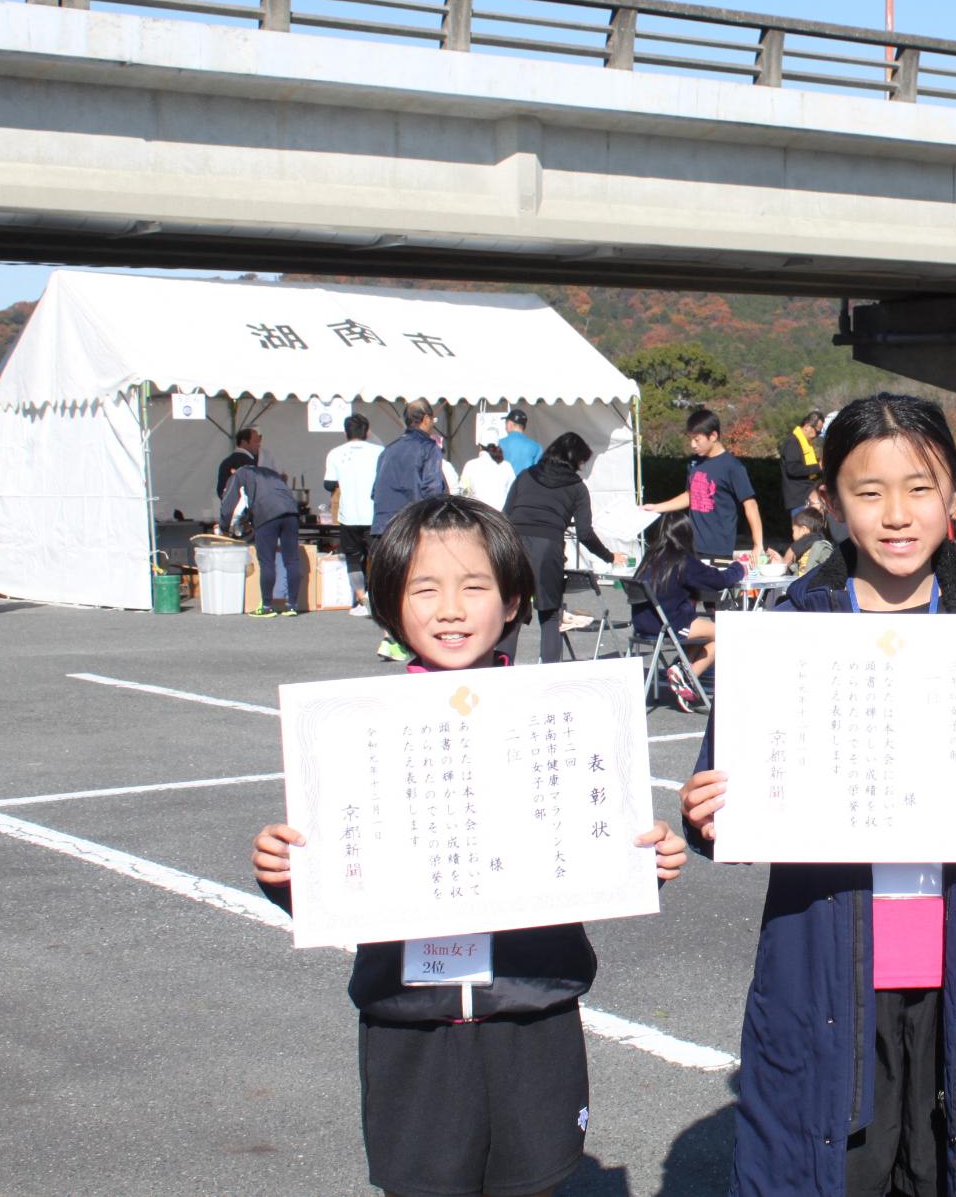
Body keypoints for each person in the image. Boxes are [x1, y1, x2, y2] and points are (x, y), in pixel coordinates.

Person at [677, 392, 956, 1197]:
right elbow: (723, 783)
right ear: (829, 502)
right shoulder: (791, 625)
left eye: (920, 487)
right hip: (828, 964)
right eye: (868, 492)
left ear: (955, 494)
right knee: (835, 1167)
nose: (897, 513)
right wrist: (705, 811)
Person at [249, 496, 685, 1197]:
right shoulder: (355, 738)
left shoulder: (559, 724)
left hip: (531, 1012)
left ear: (513, 600)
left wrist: (645, 862)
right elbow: (335, 874)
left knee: (535, 1181)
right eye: (425, 588)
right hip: (411, 1024)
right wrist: (285, 871)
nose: (450, 608)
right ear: (389, 603)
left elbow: (593, 852)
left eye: (474, 586)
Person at [504, 432, 625, 665]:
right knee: (550, 616)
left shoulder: (525, 475)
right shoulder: (577, 488)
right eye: (581, 462)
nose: (581, 468)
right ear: (573, 460)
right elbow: (585, 533)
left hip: (514, 545)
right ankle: (551, 675)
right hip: (548, 548)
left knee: (512, 614)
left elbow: (505, 515)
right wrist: (608, 556)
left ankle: (502, 669)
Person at [632, 510, 745, 711]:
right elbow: (718, 581)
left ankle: (680, 668)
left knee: (705, 630)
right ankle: (688, 676)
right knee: (725, 633)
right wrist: (739, 568)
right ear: (686, 534)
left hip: (643, 624)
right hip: (668, 624)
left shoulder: (649, 557)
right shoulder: (683, 559)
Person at [371, 401, 449, 661]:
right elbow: (432, 490)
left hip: (382, 524)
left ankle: (389, 638)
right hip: (411, 524)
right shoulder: (428, 448)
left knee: (390, 584)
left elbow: (375, 492)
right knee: (418, 584)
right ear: (426, 419)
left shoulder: (388, 450)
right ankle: (411, 639)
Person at [643, 408, 764, 562]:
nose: (693, 445)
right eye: (690, 439)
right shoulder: (694, 463)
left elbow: (750, 504)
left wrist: (758, 544)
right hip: (691, 546)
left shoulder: (733, 467)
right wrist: (657, 507)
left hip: (718, 549)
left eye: (697, 440)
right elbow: (690, 495)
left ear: (713, 436)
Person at [220, 460, 306, 617]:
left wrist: (223, 527)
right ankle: (292, 605)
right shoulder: (270, 473)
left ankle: (266, 606)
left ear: (232, 470)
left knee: (267, 561)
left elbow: (229, 503)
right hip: (291, 513)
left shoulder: (239, 474)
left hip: (267, 514)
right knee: (292, 560)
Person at [323, 413, 384, 616]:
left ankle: (360, 599)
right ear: (367, 431)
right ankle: (377, 600)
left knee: (353, 558)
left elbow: (328, 484)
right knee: (376, 558)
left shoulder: (335, 453)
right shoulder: (379, 452)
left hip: (348, 515)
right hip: (375, 514)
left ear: (345, 432)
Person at [779, 408, 826, 518]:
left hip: (808, 496)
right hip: (799, 499)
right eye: (817, 431)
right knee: (803, 532)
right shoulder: (792, 443)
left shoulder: (806, 444)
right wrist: (818, 467)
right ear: (808, 426)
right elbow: (793, 469)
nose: (818, 435)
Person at [776, 506, 835, 576]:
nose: (792, 535)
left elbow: (785, 564)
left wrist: (779, 561)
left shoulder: (801, 543)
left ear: (803, 530)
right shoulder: (821, 539)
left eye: (793, 530)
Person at [458, 441, 516, 511]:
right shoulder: (506, 466)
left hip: (478, 514)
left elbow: (464, 492)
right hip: (501, 516)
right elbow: (513, 492)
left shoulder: (470, 465)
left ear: (480, 447)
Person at [215, 428, 261, 501]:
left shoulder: (226, 462)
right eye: (255, 441)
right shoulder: (249, 464)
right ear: (244, 442)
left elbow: (220, 491)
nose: (259, 445)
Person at [497, 407, 542, 477]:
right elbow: (539, 472)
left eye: (506, 423)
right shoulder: (536, 446)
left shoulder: (499, 443)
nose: (505, 427)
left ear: (510, 424)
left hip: (505, 487)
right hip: (526, 486)